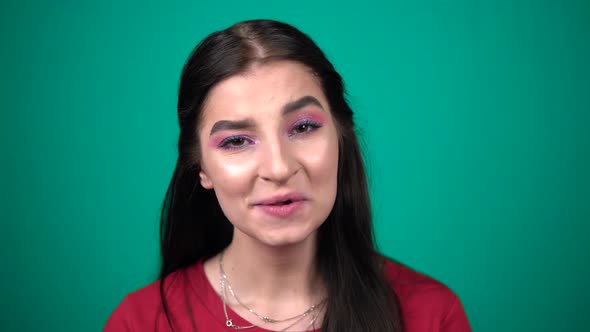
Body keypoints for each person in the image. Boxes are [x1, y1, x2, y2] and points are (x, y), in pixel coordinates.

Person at [104, 19, 471, 332]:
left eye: (304, 127)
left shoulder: (430, 314)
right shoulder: (141, 321)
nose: (279, 168)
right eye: (236, 141)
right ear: (201, 169)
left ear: (340, 138)